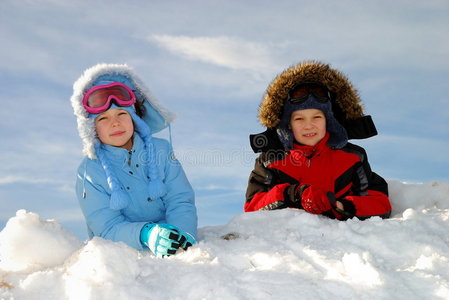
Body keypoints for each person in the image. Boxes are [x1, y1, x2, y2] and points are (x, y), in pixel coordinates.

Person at [70, 63, 197, 257]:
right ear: (92, 129)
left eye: (122, 114)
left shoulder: (161, 150)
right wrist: (146, 233)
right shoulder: (89, 172)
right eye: (103, 118)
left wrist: (182, 233)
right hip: (122, 255)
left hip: (171, 245)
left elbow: (179, 199)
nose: (115, 123)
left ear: (135, 119)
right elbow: (106, 226)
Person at [245, 61, 392, 220]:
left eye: (317, 117)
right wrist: (295, 194)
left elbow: (380, 204)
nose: (309, 126)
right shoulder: (270, 161)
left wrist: (340, 206)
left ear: (329, 121)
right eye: (299, 119)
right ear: (288, 124)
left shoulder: (354, 157)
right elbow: (253, 207)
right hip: (289, 242)